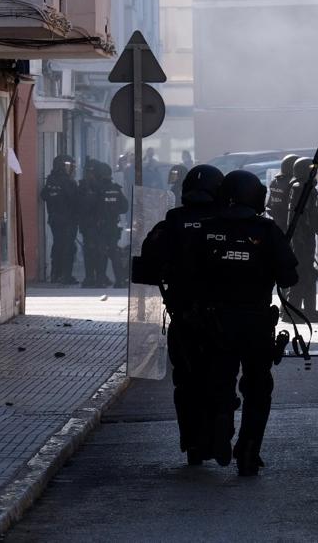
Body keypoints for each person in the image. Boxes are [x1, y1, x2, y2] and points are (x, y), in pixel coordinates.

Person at [192, 170, 298, 476]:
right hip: (255, 323)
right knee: (257, 387)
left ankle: (223, 421)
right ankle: (250, 447)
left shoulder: (206, 229)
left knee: (219, 379)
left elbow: (189, 272)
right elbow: (290, 277)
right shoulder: (266, 230)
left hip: (215, 322)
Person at [138, 165, 225, 465]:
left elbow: (147, 261)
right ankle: (220, 437)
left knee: (185, 382)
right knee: (223, 377)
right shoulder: (230, 224)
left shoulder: (172, 222)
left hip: (183, 316)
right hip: (222, 318)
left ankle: (192, 441)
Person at [284, 157, 318, 323]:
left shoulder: (307, 188)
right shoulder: (299, 188)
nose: (315, 173)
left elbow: (308, 213)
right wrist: (300, 239)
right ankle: (292, 311)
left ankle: (309, 310)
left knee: (308, 274)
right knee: (301, 274)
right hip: (301, 239)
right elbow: (295, 216)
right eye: (312, 170)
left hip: (306, 237)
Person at [40, 154, 80, 284]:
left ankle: (55, 274)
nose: (72, 170)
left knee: (58, 245)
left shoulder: (51, 180)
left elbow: (44, 195)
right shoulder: (68, 182)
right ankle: (65, 275)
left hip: (54, 219)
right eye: (69, 166)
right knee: (68, 248)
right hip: (68, 220)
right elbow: (74, 200)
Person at [266, 154, 298, 233]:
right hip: (287, 222)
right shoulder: (292, 183)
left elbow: (270, 204)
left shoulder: (275, 181)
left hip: (276, 219)